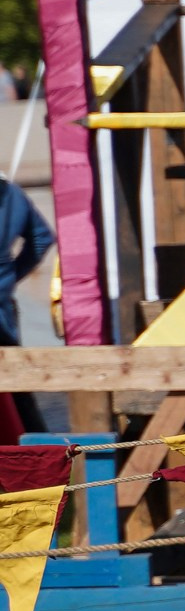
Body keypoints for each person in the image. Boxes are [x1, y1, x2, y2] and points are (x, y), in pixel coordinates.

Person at [0, 173, 53, 442]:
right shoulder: (10, 192)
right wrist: (8, 278)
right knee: (17, 389)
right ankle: (38, 457)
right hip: (2, 305)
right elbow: (42, 238)